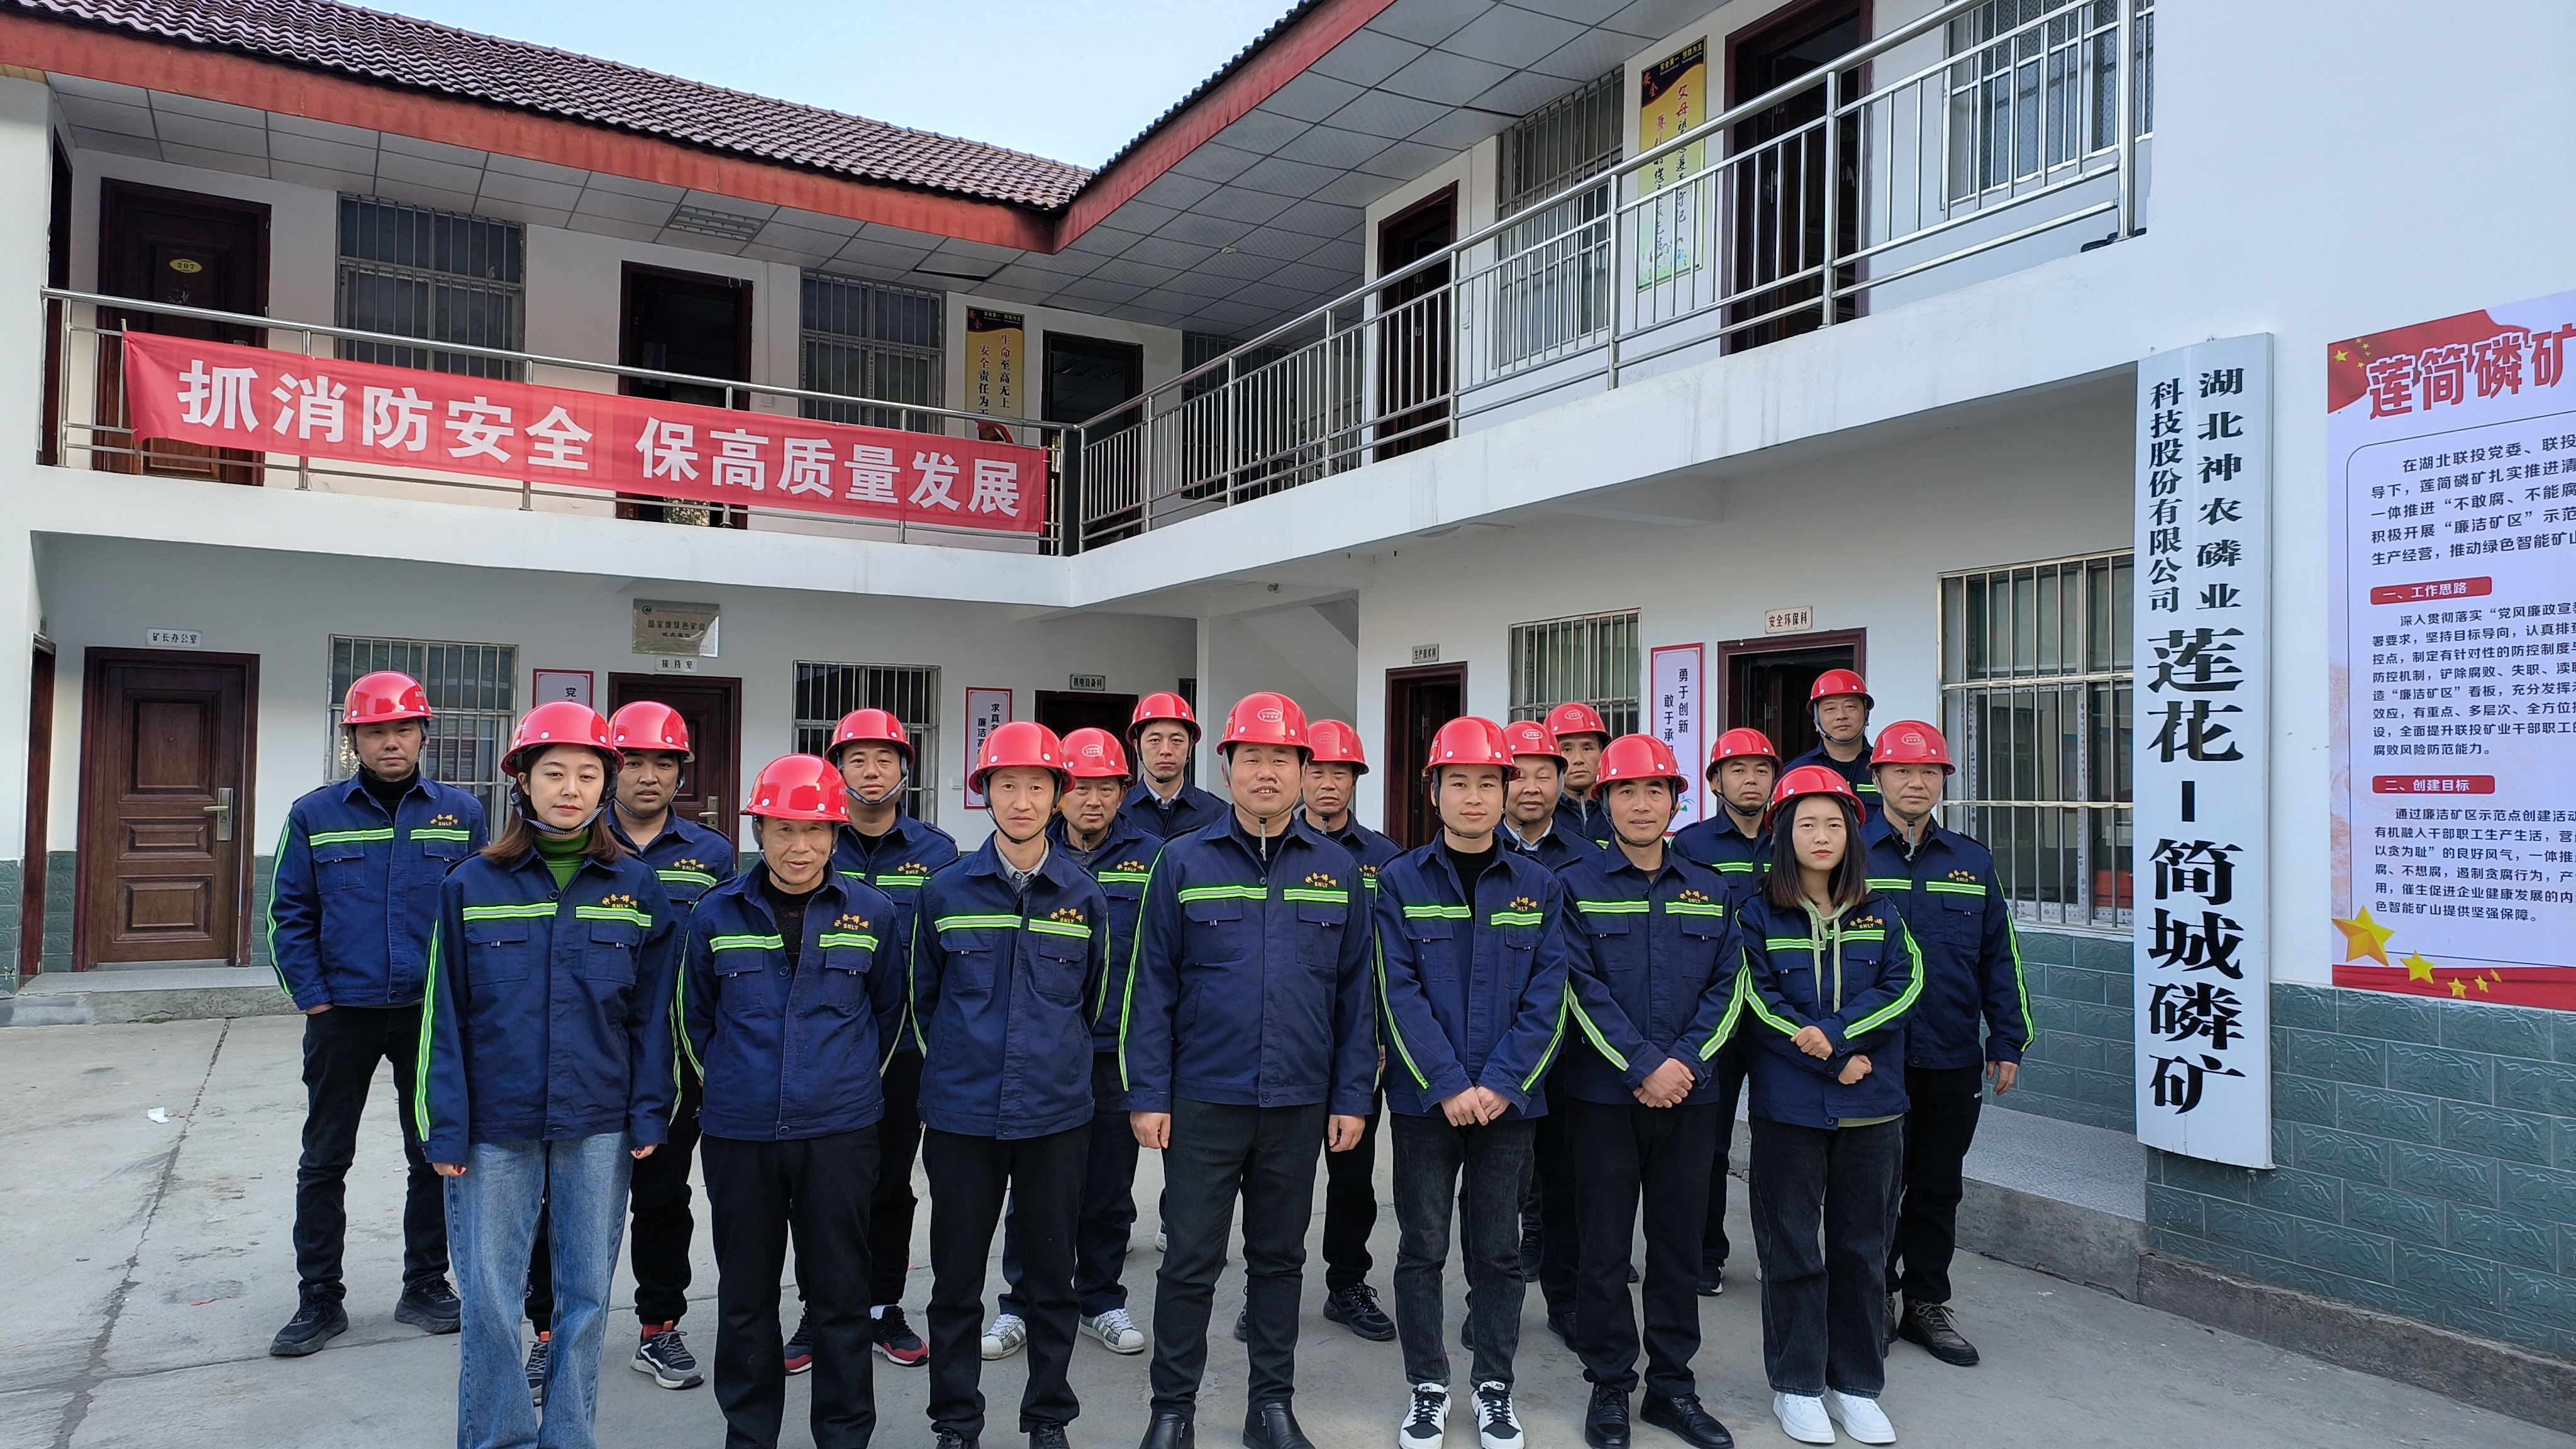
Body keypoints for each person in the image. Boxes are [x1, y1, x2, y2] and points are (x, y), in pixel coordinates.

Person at [418, 701, 678, 1449]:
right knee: (492, 1300)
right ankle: (499, 1438)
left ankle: (568, 1436)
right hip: (494, 1122)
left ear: (605, 787)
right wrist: (445, 1126)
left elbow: (652, 1016)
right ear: (522, 783)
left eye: (587, 775)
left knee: (587, 1297)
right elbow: (443, 1016)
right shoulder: (471, 884)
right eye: (554, 772)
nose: (570, 789)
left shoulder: (636, 887)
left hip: (598, 1118)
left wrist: (649, 1111)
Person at [1123, 692, 1375, 1449]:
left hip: (1298, 1102)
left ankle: (1271, 1407)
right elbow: (1151, 985)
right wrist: (1148, 1093)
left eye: (1282, 759)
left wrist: (1351, 1096)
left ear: (1303, 771)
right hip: (1204, 1099)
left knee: (1278, 1260)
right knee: (1189, 1261)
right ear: (1227, 766)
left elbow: (1357, 996)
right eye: (1252, 758)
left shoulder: (1337, 870)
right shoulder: (1182, 861)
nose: (1267, 772)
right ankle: (1172, 1411)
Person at [683, 755, 906, 1449]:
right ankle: (750, 1436)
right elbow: (692, 1019)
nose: (799, 846)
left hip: (839, 1135)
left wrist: (847, 1088)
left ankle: (844, 1435)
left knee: (841, 1295)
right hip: (740, 1134)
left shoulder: (872, 914)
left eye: (814, 830)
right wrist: (730, 1087)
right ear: (759, 832)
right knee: (745, 1299)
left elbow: (891, 1014)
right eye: (783, 829)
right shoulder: (714, 914)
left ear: (836, 835)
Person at [267, 670, 486, 1357]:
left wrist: (468, 1001)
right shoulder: (314, 815)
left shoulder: (462, 814)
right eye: (376, 732)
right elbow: (288, 913)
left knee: (434, 1153)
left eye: (403, 729)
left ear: (424, 734)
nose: (391, 742)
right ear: (353, 740)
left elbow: (480, 913)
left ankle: (425, 1284)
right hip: (344, 1012)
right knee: (325, 1156)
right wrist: (313, 995)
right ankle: (319, 1297)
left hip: (429, 1015)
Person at [1372, 716, 1574, 1449]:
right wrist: (1449, 1083)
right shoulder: (1399, 881)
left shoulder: (1537, 886)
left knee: (1497, 1252)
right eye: (1458, 782)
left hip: (1507, 1105)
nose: (1474, 796)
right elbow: (1396, 991)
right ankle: (1427, 1386)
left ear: (1505, 791)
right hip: (1427, 1102)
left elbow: (1549, 995)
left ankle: (1493, 1386)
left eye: (1488, 783)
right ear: (1434, 791)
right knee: (1421, 1247)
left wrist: (1500, 1083)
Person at [523, 700, 735, 1396]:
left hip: (671, 1052)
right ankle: (548, 1333)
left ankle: (659, 1326)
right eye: (635, 761)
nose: (649, 776)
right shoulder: (572, 836)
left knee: (663, 1195)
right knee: (556, 1200)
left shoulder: (711, 854)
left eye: (663, 764)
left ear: (681, 774)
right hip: (581, 1047)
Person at [916, 723, 1113, 1449]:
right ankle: (956, 1422)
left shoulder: (1082, 897)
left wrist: (1051, 1064)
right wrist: (962, 1064)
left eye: (1037, 786)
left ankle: (1048, 1418)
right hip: (962, 1116)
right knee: (955, 1282)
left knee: (1053, 1281)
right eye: (1007, 785)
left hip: (1055, 1115)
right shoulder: (945, 892)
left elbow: (1092, 1002)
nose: (1022, 800)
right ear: (986, 794)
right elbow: (922, 1001)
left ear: (1058, 795)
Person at [1557, 736, 1745, 1449]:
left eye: (1655, 791)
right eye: (1626, 791)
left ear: (1675, 802)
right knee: (1604, 1247)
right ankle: (1609, 1383)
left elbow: (1730, 986)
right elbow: (1575, 986)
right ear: (1604, 802)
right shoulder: (1572, 884)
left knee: (1677, 1247)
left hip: (1690, 1098)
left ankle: (1672, 1387)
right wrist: (1642, 1066)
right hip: (1603, 1098)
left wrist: (1683, 1064)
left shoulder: (1711, 887)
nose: (1642, 804)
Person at [1739, 766, 1924, 1448]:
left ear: (1852, 835)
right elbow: (1758, 1003)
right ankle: (1796, 1384)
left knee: (1861, 1251)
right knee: (1791, 1249)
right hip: (1789, 1110)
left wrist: (1841, 1036)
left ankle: (1857, 1385)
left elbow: (1906, 987)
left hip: (1873, 1110)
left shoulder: (1882, 912)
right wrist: (1829, 1058)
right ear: (1784, 835)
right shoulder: (1757, 915)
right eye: (1807, 824)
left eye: (1834, 824)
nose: (1822, 836)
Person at [1863, 722, 2031, 1369]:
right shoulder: (1849, 853)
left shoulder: (1971, 860)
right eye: (1902, 771)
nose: (1916, 782)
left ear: (1942, 782)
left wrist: (2007, 1038)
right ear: (1877, 778)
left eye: (1928, 772)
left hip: (1951, 1054)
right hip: (1872, 1056)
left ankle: (1926, 1302)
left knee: (1937, 1185)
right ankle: (1873, 1293)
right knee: (1873, 1185)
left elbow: (1999, 956)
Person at [987, 727, 1159, 1362]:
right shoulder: (1032, 850)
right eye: (1081, 787)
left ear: (1124, 792)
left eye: (1107, 788)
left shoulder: (1155, 858)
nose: (1093, 799)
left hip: (1116, 1049)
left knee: (1109, 1186)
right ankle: (1022, 1302)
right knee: (1033, 1187)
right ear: (1062, 791)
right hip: (1043, 1051)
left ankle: (1099, 1298)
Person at [819, 708, 960, 1372]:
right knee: (823, 1187)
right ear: (837, 769)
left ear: (906, 769)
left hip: (905, 1048)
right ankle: (822, 1310)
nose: (871, 772)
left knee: (891, 1184)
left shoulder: (936, 853)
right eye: (857, 759)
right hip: (825, 1046)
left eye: (885, 759)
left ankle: (881, 1307)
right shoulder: (815, 838)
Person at [1298, 719, 1402, 1345]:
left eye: (1341, 772)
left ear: (1355, 780)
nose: (1328, 783)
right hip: (1292, 1040)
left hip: (1360, 1043)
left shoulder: (1384, 859)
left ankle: (1347, 1283)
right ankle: (1268, 1286)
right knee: (1277, 1178)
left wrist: (1383, 1036)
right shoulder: (1273, 850)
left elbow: (1392, 958)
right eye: (1318, 771)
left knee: (1353, 1174)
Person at [1669, 726, 1780, 1299]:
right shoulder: (1691, 846)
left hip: (1780, 1014)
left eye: (1762, 770)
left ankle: (1779, 1252)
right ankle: (1706, 1253)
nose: (1751, 780)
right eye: (1737, 770)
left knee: (1780, 1140)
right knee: (1707, 1142)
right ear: (1715, 782)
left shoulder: (1793, 837)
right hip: (1716, 1016)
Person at [1494, 718, 1583, 1321]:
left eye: (1543, 774)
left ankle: (1566, 1302)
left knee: (1567, 1179)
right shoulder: (1475, 851)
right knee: (1494, 1189)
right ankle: (1488, 1303)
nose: (1530, 787)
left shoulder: (1586, 858)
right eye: (1518, 774)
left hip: (1571, 1046)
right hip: (1496, 1048)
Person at [1121, 692, 1228, 840]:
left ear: (1190, 746)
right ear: (1137, 746)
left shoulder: (1217, 814)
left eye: (1176, 740)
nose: (1166, 750)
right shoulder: (1118, 812)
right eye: (1155, 740)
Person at [1781, 670, 1879, 806]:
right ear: (1816, 720)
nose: (1841, 715)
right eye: (1830, 709)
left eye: (1850, 707)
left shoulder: (1886, 768)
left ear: (1866, 714)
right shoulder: (1794, 772)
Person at [1544, 703, 1614, 848]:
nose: (1578, 759)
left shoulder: (1618, 808)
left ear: (1602, 753)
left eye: (1587, 748)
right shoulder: (1540, 811)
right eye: (1567, 749)